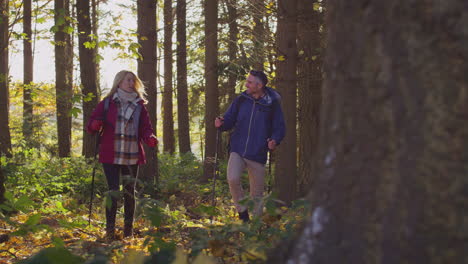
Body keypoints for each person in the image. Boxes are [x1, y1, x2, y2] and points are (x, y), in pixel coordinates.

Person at [87, 70, 158, 239]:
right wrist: (95, 124)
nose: (131, 83)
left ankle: (128, 232)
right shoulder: (107, 103)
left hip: (132, 154)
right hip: (110, 154)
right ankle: (110, 231)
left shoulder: (139, 105)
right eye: (128, 80)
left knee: (129, 192)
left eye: (133, 80)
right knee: (112, 191)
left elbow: (146, 127)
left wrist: (150, 137)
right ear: (119, 82)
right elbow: (90, 125)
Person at [215, 70, 285, 222]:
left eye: (250, 82)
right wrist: (221, 123)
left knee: (256, 194)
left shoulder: (272, 103)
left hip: (258, 151)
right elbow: (229, 119)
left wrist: (275, 140)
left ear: (259, 85)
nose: (246, 84)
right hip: (237, 148)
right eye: (247, 81)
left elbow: (279, 126)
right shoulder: (241, 99)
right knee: (232, 179)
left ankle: (257, 226)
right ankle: (243, 214)